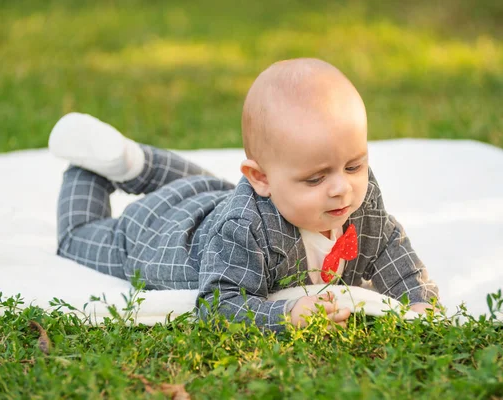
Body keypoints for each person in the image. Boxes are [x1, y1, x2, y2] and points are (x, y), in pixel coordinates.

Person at [49, 58, 439, 332]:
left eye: (353, 166)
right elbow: (220, 304)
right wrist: (286, 315)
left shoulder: (359, 195)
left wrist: (418, 301)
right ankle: (89, 168)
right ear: (260, 178)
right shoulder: (243, 228)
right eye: (316, 178)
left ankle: (138, 163)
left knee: (209, 188)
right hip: (160, 234)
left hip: (217, 199)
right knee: (76, 238)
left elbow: (391, 247)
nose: (342, 188)